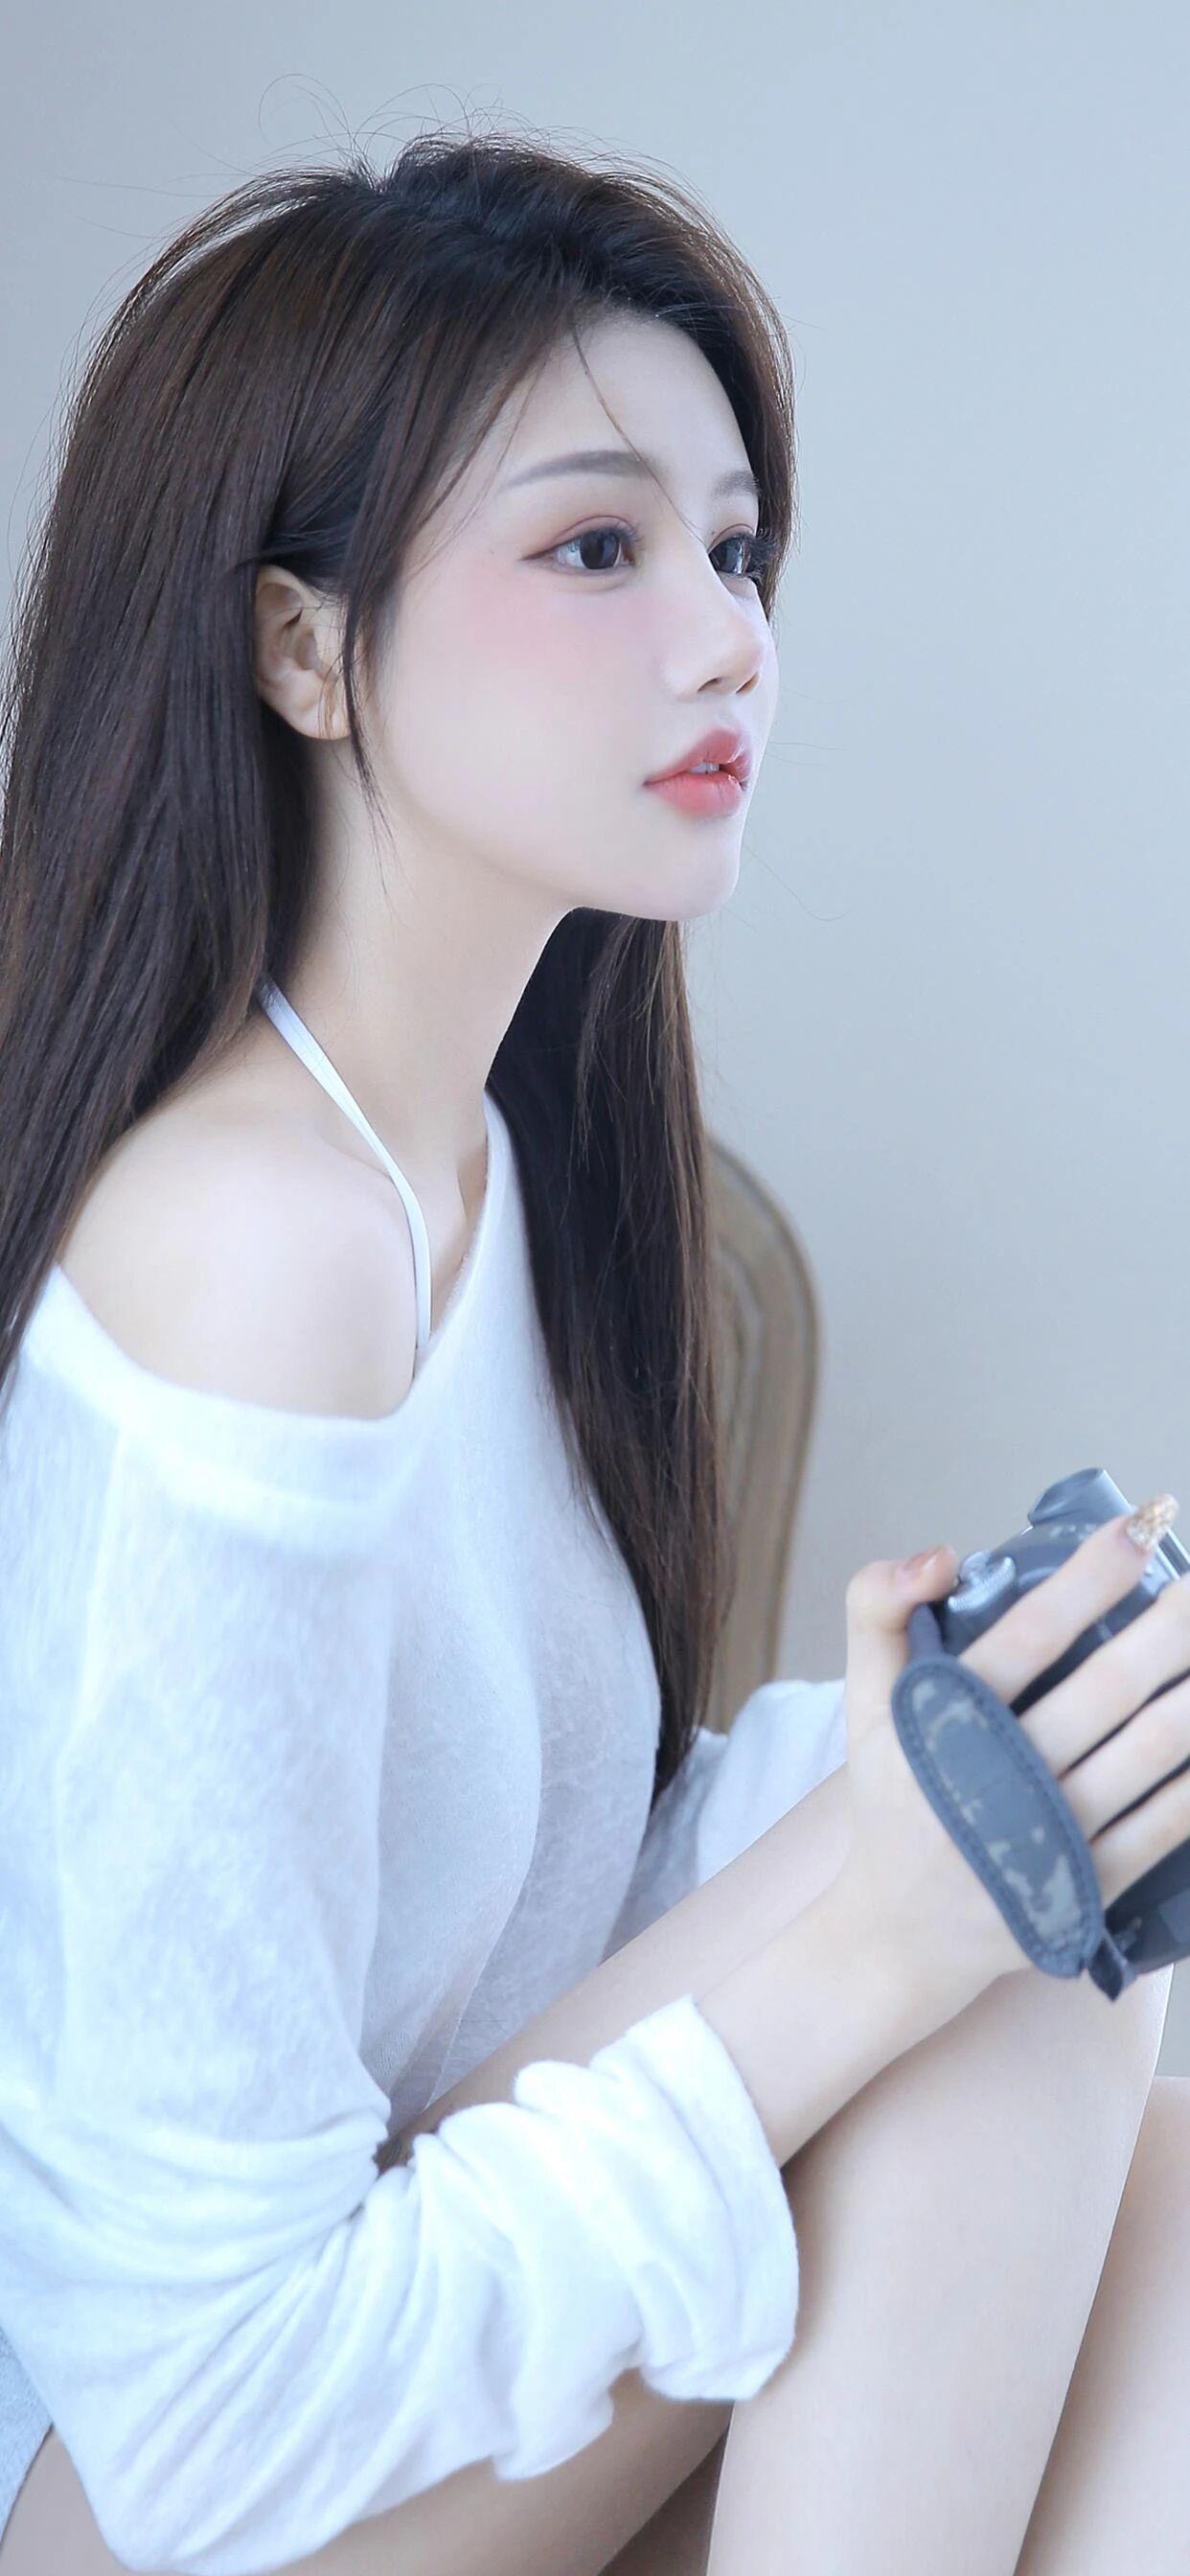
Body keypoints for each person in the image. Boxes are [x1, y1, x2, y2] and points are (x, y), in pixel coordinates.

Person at [0, 126, 1183, 2576]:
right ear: (302, 647)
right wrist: (881, 1914)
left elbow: (515, 1928)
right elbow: (201, 2429)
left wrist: (951, 1763)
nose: (731, 638)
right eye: (596, 549)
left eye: (735, 551)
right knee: (994, 1929)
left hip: (391, 2393)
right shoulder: (253, 1248)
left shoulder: (497, 1167)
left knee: (1066, 1915)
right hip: (170, 2496)